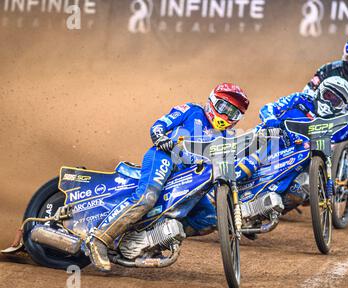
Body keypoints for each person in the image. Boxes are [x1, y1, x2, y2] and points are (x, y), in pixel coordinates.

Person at [87, 83, 250, 271]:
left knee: (210, 218)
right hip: (165, 157)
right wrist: (161, 138)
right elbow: (159, 125)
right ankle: (99, 239)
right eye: (224, 108)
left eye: (234, 113)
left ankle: (155, 238)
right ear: (212, 101)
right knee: (147, 198)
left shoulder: (226, 137)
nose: (228, 116)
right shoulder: (192, 111)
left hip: (189, 178)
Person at [235, 76, 348, 181]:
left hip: (295, 158)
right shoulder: (300, 99)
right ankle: (225, 178)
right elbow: (269, 108)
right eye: (328, 95)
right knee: (253, 154)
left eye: (335, 101)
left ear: (341, 107)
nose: (329, 103)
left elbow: (346, 129)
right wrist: (271, 119)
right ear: (320, 91)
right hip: (271, 139)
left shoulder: (336, 120)